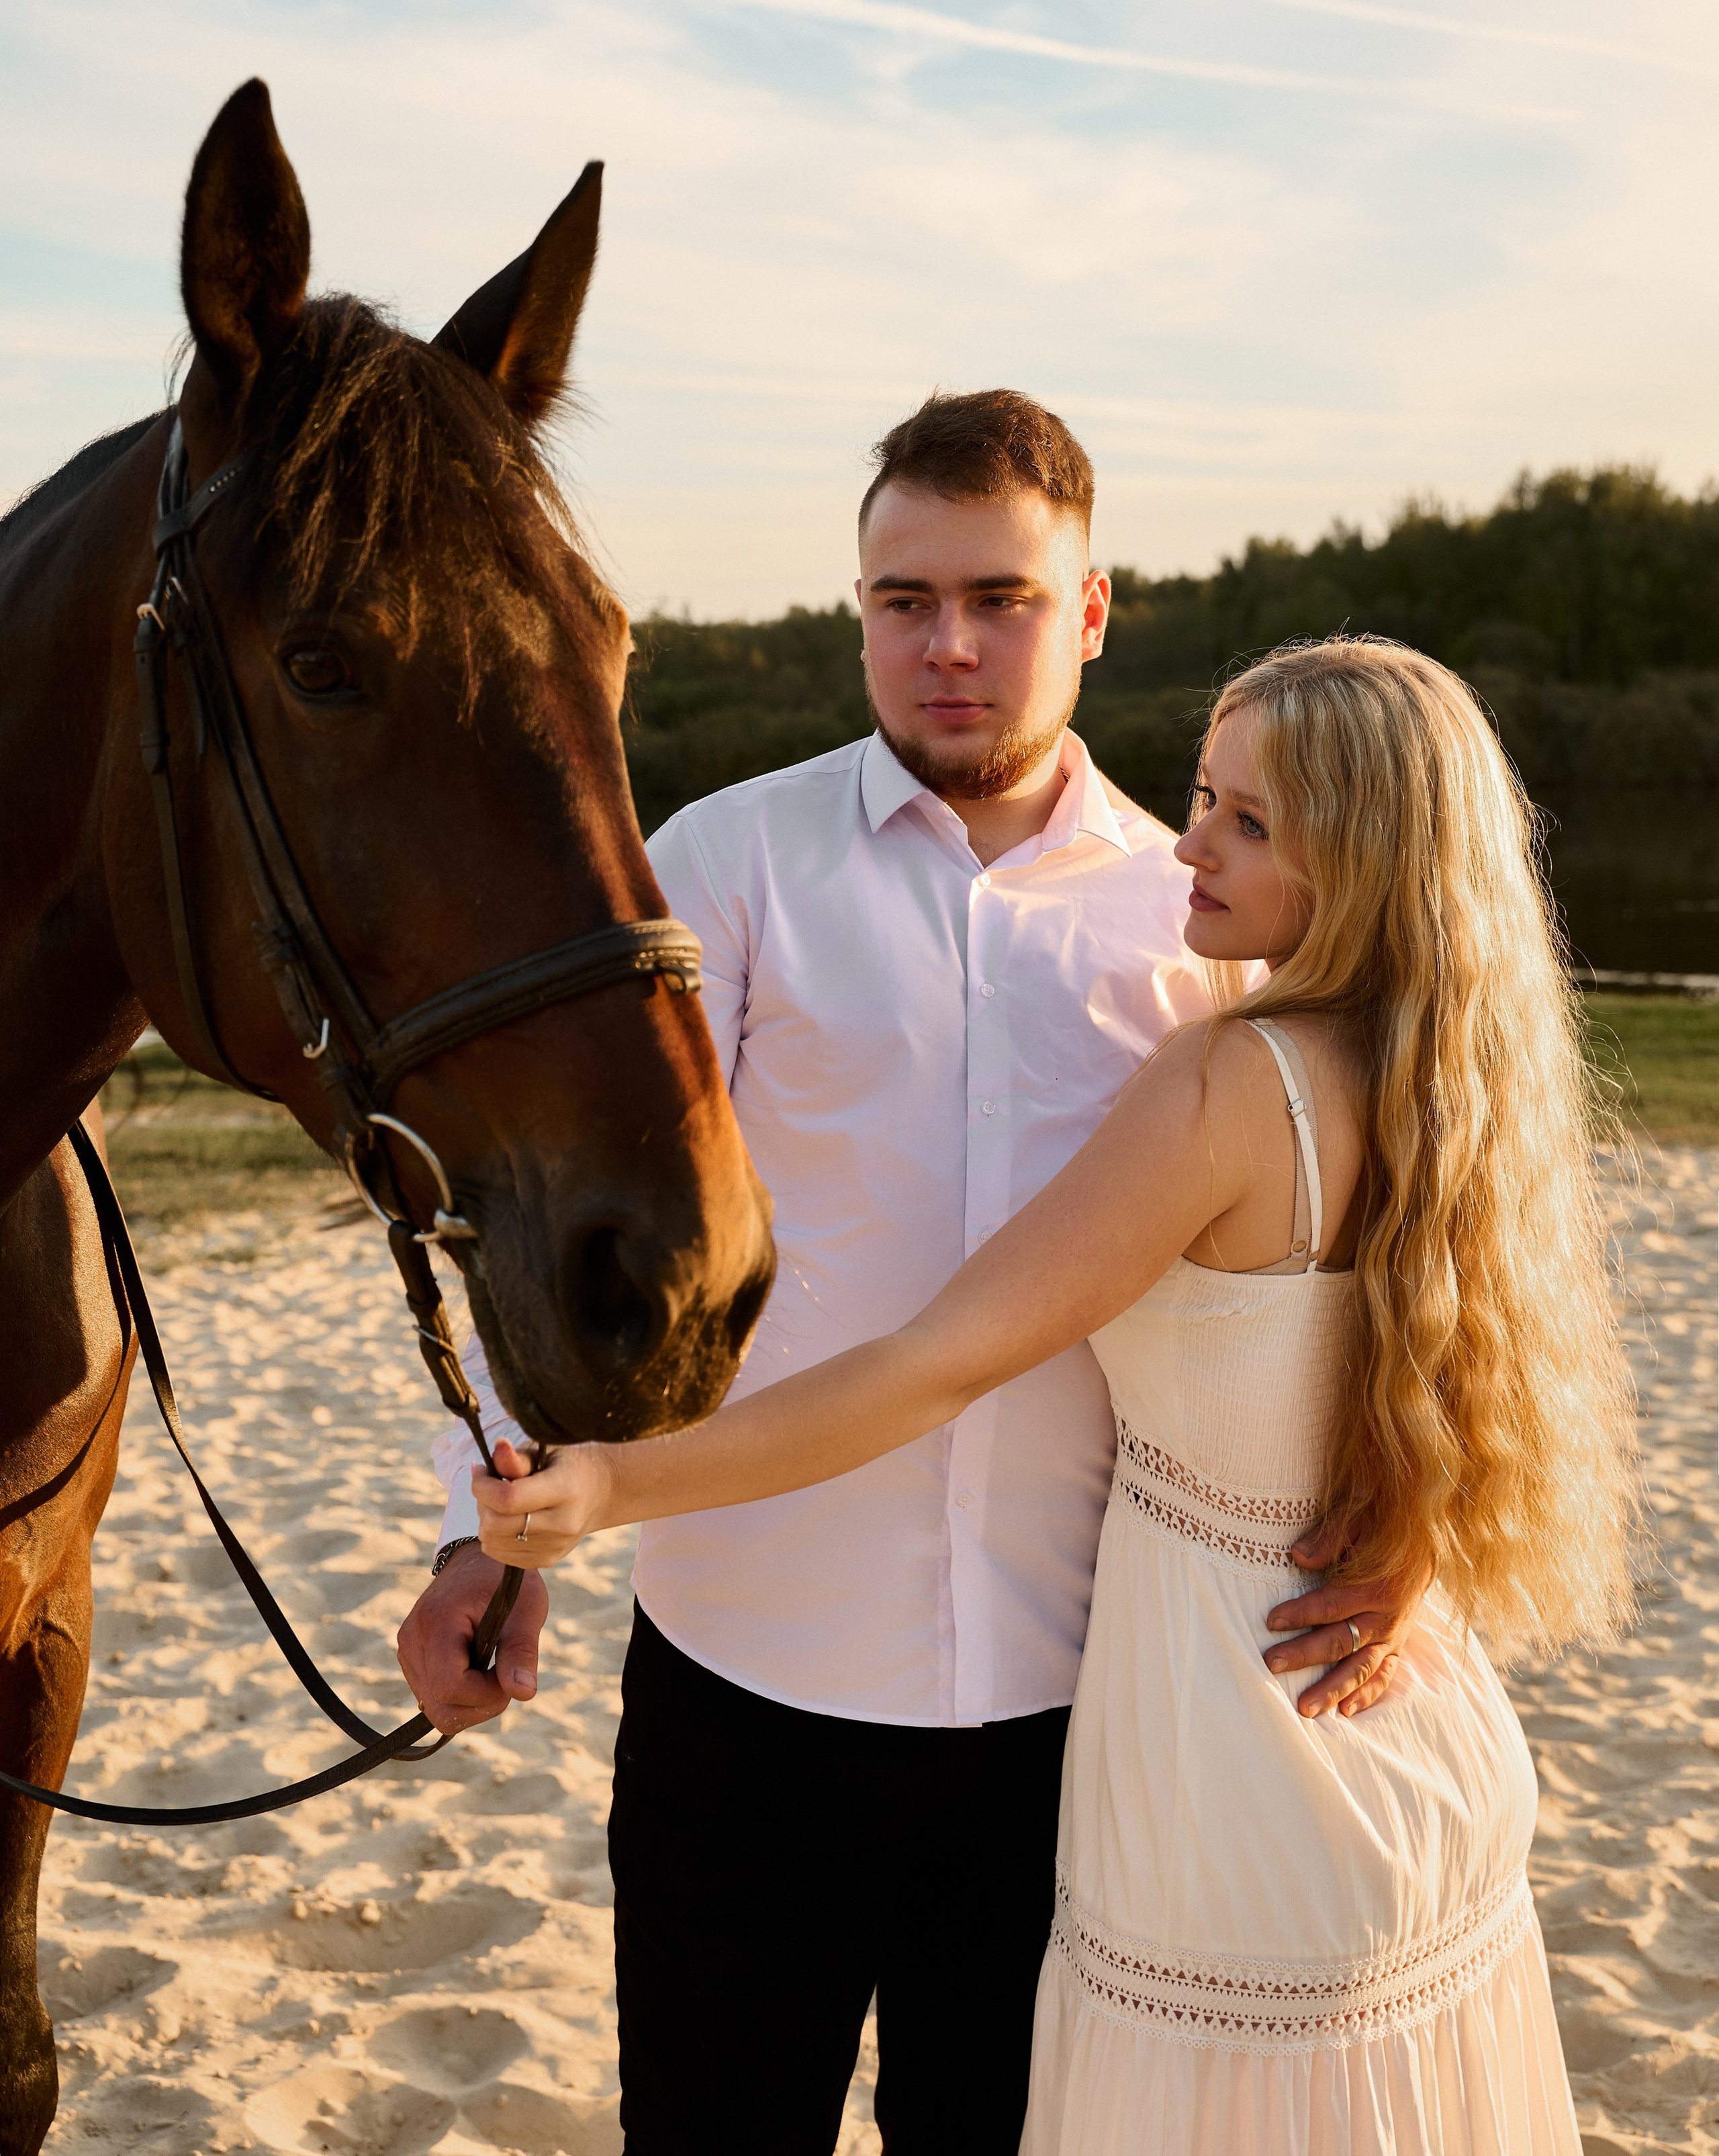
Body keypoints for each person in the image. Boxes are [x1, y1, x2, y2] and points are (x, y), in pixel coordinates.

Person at [398, 397, 1424, 2153]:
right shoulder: (721, 865)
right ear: (858, 606)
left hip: (1083, 1710)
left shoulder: (1206, 912)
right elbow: (555, 1214)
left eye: (1002, 598)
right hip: (747, 1681)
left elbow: (1349, 1259)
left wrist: (1406, 1519)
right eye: (903, 598)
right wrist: (472, 1530)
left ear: (1094, 610)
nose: (948, 645)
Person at [472, 635, 1637, 2155]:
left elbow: (942, 1355)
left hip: (1225, 1758)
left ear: (1363, 857)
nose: (1191, 845)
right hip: (1407, 1743)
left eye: (1247, 823)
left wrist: (618, 1484)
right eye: (1202, 796)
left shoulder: (1229, 1077)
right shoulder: (1456, 1077)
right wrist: (1414, 1534)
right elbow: (1458, 1380)